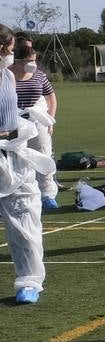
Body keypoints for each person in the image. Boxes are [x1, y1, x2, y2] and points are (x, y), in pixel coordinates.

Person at [0, 24, 48, 305]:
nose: (11, 53)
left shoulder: (7, 76)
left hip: (14, 154)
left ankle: (29, 281)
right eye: (9, 48)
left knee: (26, 216)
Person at [10, 34, 59, 210]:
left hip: (37, 121)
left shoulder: (39, 75)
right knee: (14, 161)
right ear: (19, 61)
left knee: (44, 155)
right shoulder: (6, 76)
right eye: (30, 61)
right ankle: (14, 193)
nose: (34, 64)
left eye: (35, 60)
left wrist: (50, 120)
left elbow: (51, 97)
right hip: (14, 124)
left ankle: (47, 194)